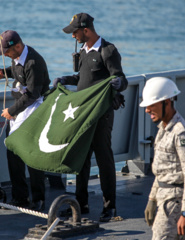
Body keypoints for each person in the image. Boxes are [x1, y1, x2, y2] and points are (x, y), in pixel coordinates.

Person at [53, 13, 128, 222]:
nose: (73, 36)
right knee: (81, 159)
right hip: (83, 114)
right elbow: (82, 78)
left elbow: (121, 78)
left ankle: (109, 207)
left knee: (104, 160)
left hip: (101, 115)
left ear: (86, 30)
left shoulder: (108, 51)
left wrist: (118, 85)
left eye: (75, 32)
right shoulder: (84, 51)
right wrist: (66, 78)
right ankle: (81, 204)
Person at [0, 30, 50, 211]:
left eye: (7, 52)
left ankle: (38, 198)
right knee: (13, 152)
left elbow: (33, 94)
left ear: (18, 46)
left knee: (32, 156)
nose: (5, 55)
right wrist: (5, 73)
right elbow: (18, 71)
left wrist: (11, 111)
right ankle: (20, 197)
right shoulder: (17, 57)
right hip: (20, 110)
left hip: (34, 110)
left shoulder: (33, 62)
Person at [140, 77, 185, 239]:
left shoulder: (181, 133)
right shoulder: (163, 129)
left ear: (166, 102)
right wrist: (152, 199)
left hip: (176, 203)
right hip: (165, 198)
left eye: (151, 105)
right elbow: (161, 171)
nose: (147, 110)